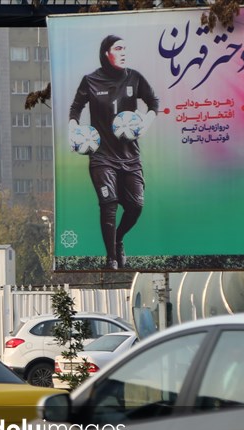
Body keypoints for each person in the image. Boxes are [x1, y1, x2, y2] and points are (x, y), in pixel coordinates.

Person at [68, 35, 160, 270]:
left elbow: (153, 102)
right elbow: (76, 108)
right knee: (108, 203)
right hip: (101, 156)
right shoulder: (90, 80)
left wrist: (145, 123)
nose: (123, 52)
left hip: (130, 156)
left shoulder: (135, 78)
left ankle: (119, 239)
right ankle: (111, 258)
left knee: (136, 206)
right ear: (106, 53)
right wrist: (73, 130)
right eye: (118, 48)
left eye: (125, 49)